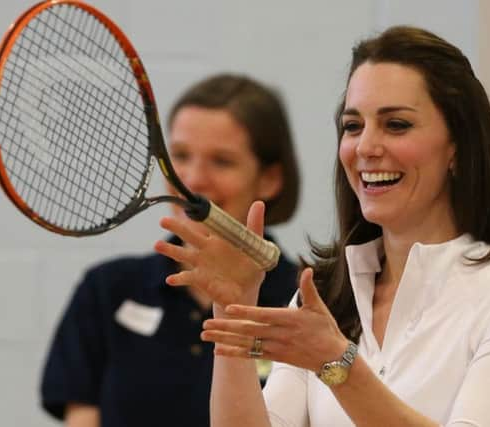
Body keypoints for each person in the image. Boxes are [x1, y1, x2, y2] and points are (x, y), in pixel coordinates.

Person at [154, 26, 490, 427]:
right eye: (353, 126)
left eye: (396, 124)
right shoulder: (326, 298)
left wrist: (337, 364)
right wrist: (234, 308)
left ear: (457, 146)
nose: (366, 147)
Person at [40, 73, 301, 427]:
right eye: (179, 155)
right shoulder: (108, 289)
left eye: (221, 161)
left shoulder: (310, 299)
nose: (192, 179)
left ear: (270, 179)